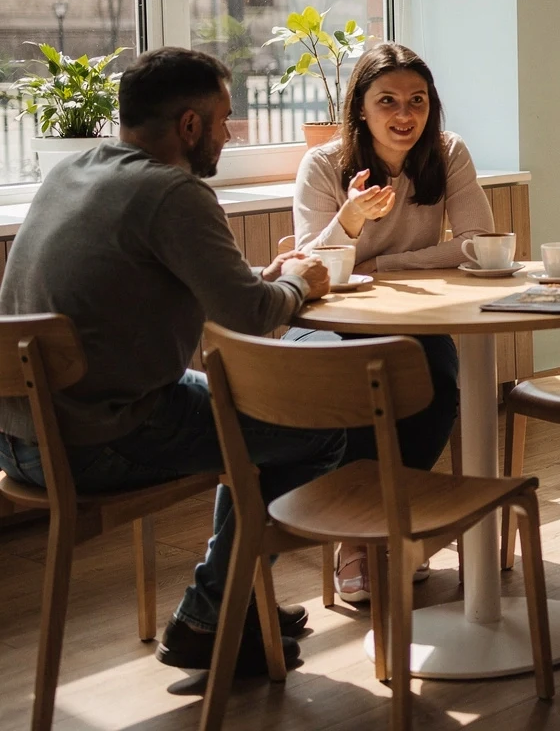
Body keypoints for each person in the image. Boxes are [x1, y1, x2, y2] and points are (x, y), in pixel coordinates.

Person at [0, 47, 341, 676]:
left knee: (249, 410)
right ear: (190, 126)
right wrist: (299, 286)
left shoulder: (71, 173)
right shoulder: (172, 191)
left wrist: (262, 283)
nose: (230, 133)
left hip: (22, 435)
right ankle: (213, 614)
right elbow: (247, 316)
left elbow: (210, 290)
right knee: (316, 422)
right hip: (96, 436)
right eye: (224, 120)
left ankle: (240, 600)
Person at [289, 42, 490, 602]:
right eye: (388, 102)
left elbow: (477, 243)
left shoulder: (447, 154)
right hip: (330, 321)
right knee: (347, 385)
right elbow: (308, 267)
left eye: (417, 101)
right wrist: (350, 220)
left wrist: (387, 263)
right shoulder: (324, 165)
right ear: (360, 108)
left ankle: (388, 523)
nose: (405, 116)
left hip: (412, 320)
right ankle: (359, 539)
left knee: (436, 385)